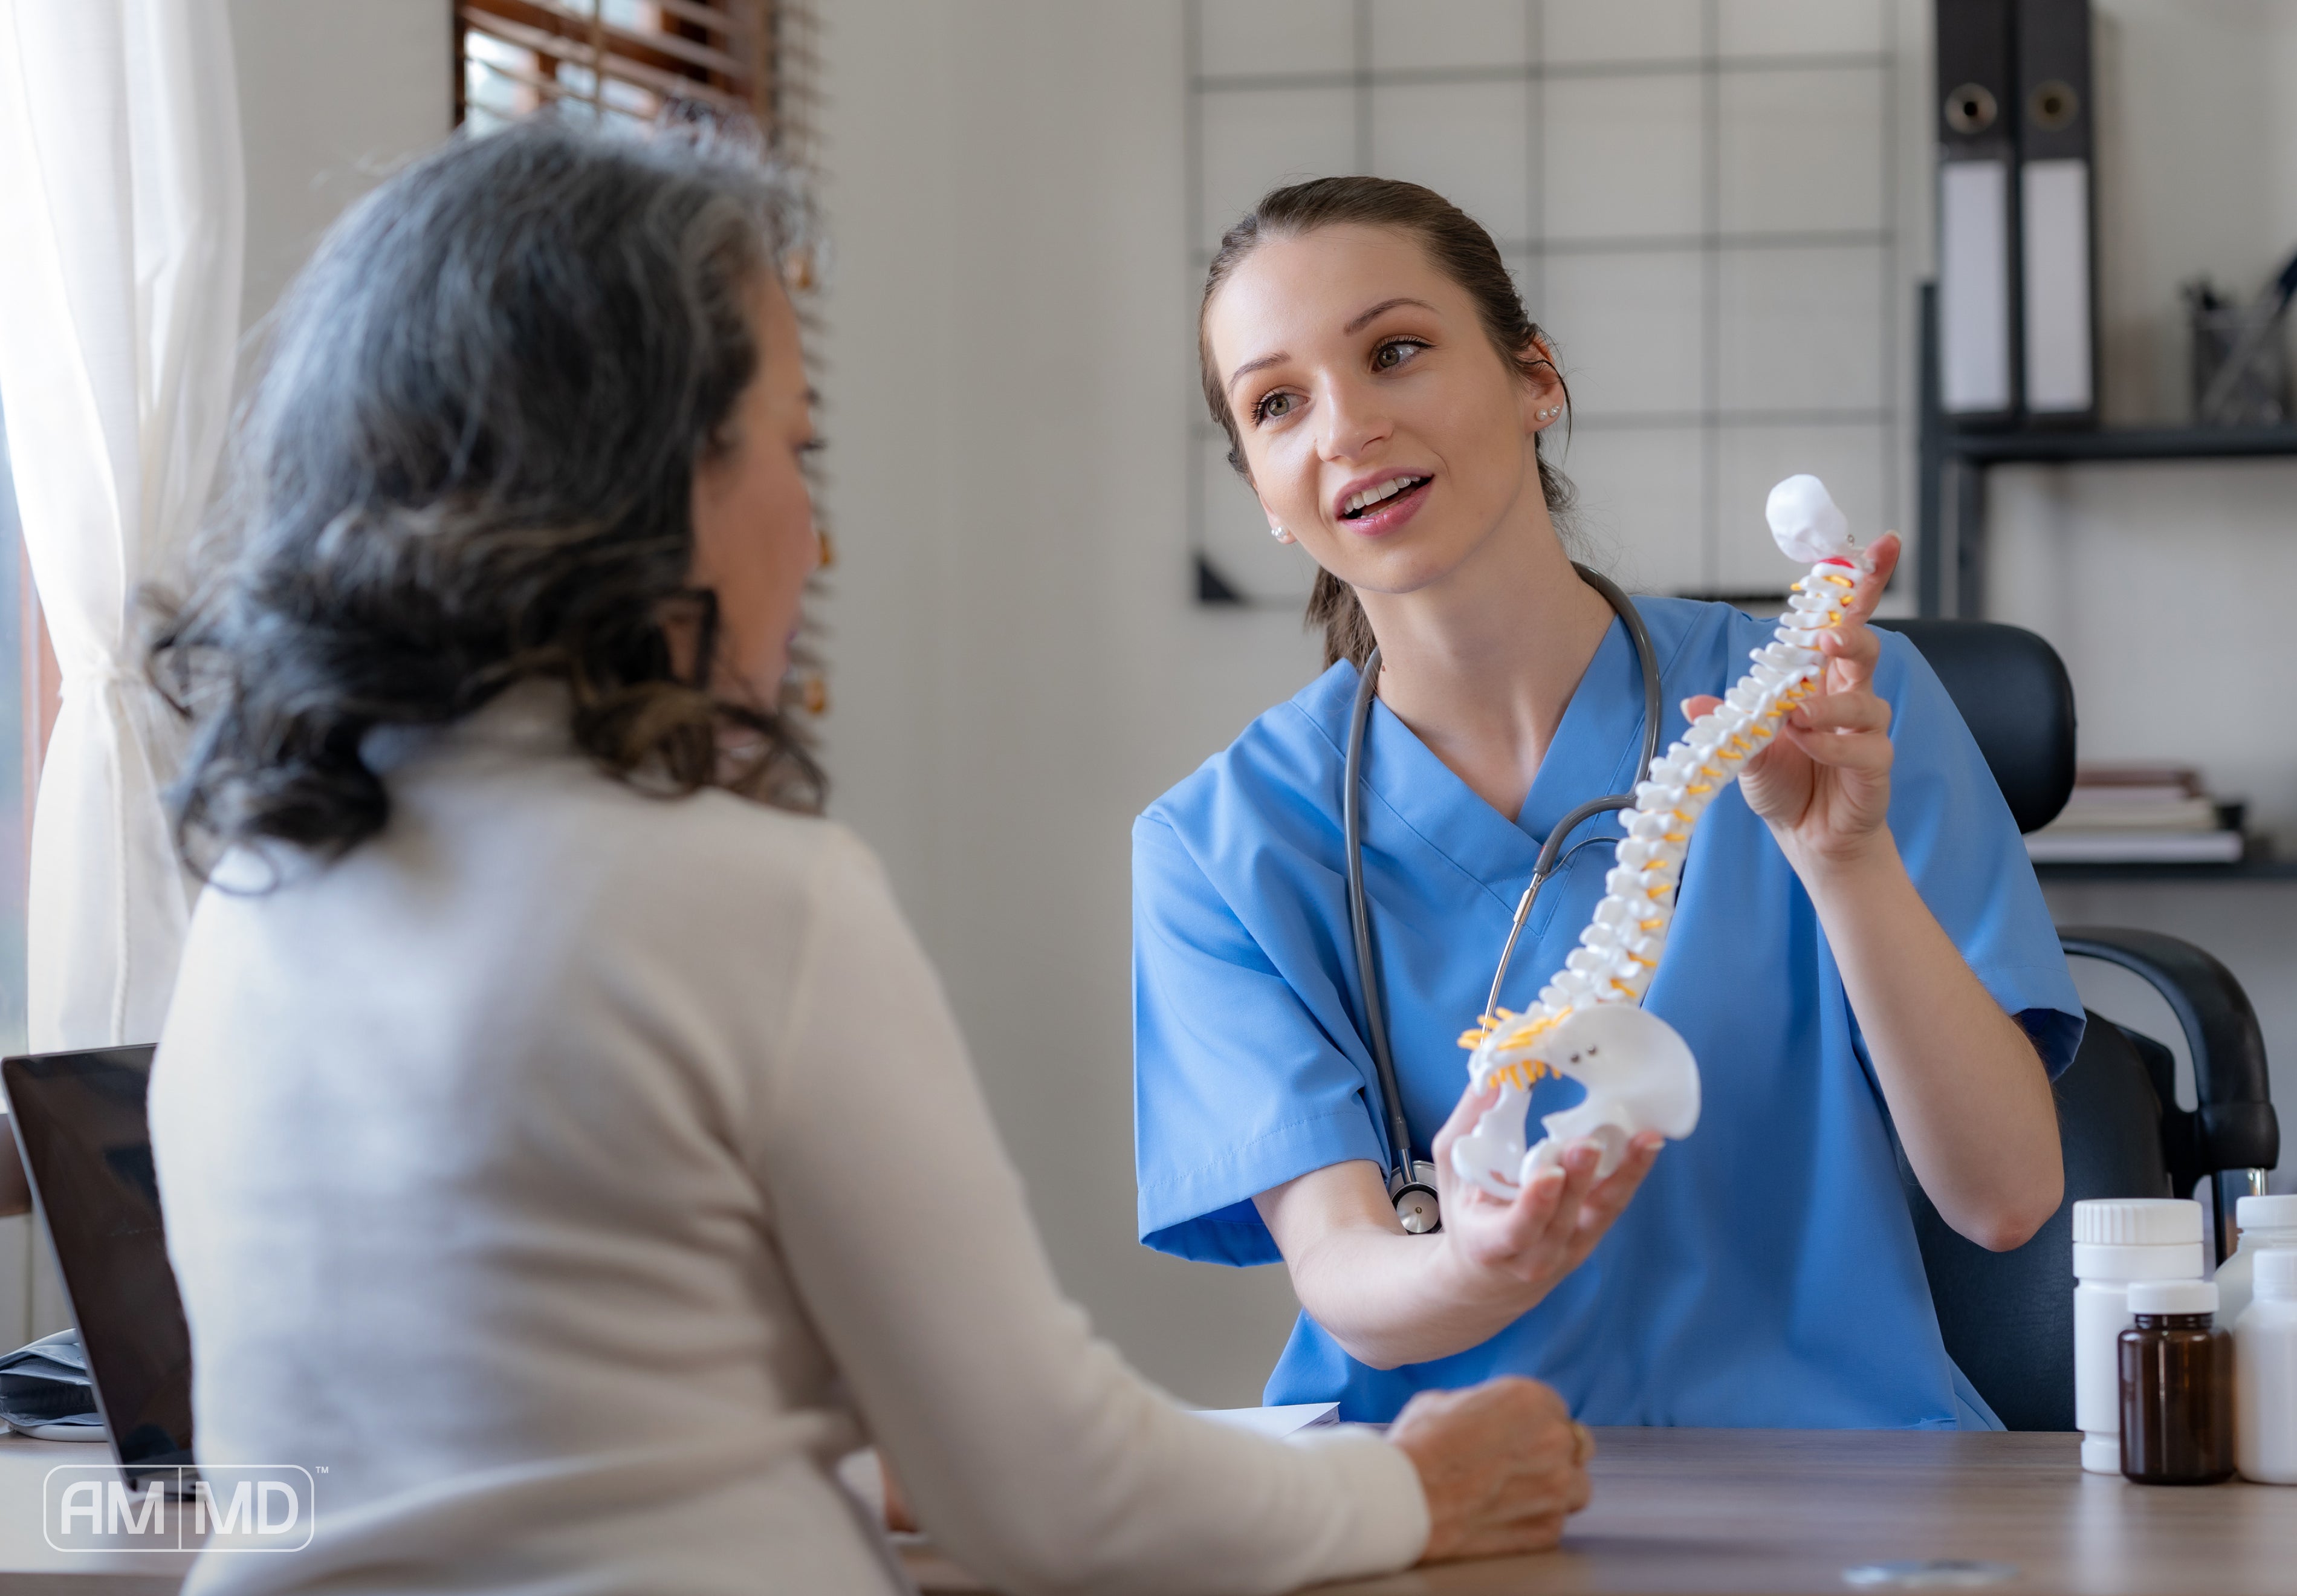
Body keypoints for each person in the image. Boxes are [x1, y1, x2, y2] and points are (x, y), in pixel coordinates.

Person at [144, 125, 1593, 1596]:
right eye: (793, 447)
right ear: (648, 483)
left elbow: (529, 1437)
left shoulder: (258, 907)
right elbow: (1056, 1500)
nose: (814, 531)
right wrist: (1410, 1491)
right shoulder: (744, 898)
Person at [1132, 177, 2084, 1429]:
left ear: (1536, 378)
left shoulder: (1828, 707)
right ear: (1262, 488)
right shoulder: (1222, 848)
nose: (1344, 426)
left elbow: (2005, 1198)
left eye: (1397, 351)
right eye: (1277, 405)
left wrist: (1843, 864)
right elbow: (1343, 1272)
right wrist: (1474, 1266)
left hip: (1836, 1492)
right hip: (1443, 1499)